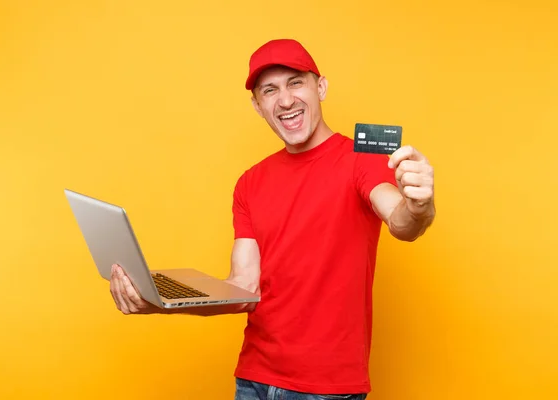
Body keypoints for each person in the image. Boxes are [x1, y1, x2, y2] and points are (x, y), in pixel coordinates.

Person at [109, 38, 436, 400]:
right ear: (258, 106)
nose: (285, 100)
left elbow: (401, 221)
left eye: (296, 82)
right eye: (270, 90)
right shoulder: (250, 182)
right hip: (253, 380)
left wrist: (419, 207)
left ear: (321, 87)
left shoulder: (361, 159)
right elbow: (244, 290)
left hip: (323, 389)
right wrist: (162, 299)